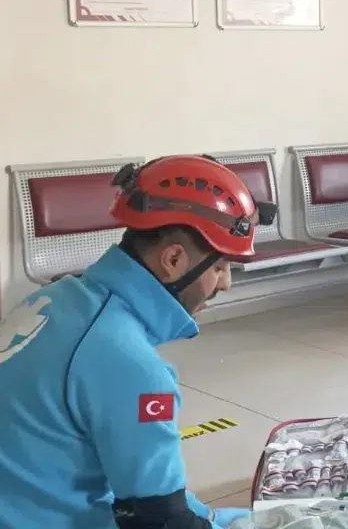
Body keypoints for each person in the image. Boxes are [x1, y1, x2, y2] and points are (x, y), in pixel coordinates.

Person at [0, 155, 274, 529]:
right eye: (220, 267)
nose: (225, 283)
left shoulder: (55, 299)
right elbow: (159, 520)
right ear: (173, 259)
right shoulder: (130, 365)